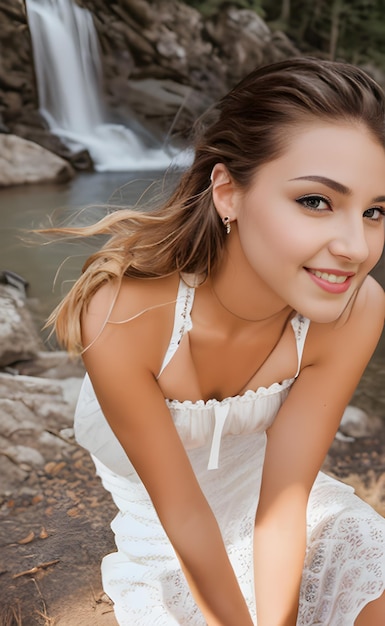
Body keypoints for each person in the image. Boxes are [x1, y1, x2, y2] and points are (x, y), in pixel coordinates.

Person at [48, 57, 385, 625]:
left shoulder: (356, 309)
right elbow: (183, 516)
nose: (355, 246)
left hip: (283, 516)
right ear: (227, 192)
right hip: (169, 539)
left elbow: (284, 502)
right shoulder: (124, 314)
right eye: (315, 201)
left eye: (376, 211)